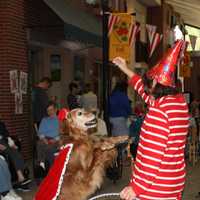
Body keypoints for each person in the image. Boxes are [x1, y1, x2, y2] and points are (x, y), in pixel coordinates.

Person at [113, 39, 189, 200]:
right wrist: (126, 69)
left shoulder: (159, 111)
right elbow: (143, 90)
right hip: (173, 184)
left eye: (150, 82)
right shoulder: (177, 103)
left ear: (156, 82)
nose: (147, 87)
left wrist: (136, 187)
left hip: (154, 190)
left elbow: (152, 155)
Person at [0, 117, 30, 191]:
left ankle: (22, 176)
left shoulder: (1, 124)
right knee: (11, 152)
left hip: (4, 141)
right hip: (1, 144)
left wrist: (11, 142)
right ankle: (20, 176)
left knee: (16, 151)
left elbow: (6, 134)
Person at [37, 102, 60, 169]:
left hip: (57, 139)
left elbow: (63, 133)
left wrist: (55, 139)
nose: (49, 112)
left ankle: (52, 168)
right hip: (45, 138)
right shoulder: (44, 120)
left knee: (49, 148)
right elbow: (40, 133)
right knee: (39, 143)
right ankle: (41, 162)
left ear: (56, 110)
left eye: (51, 110)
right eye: (48, 111)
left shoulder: (60, 120)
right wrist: (44, 139)